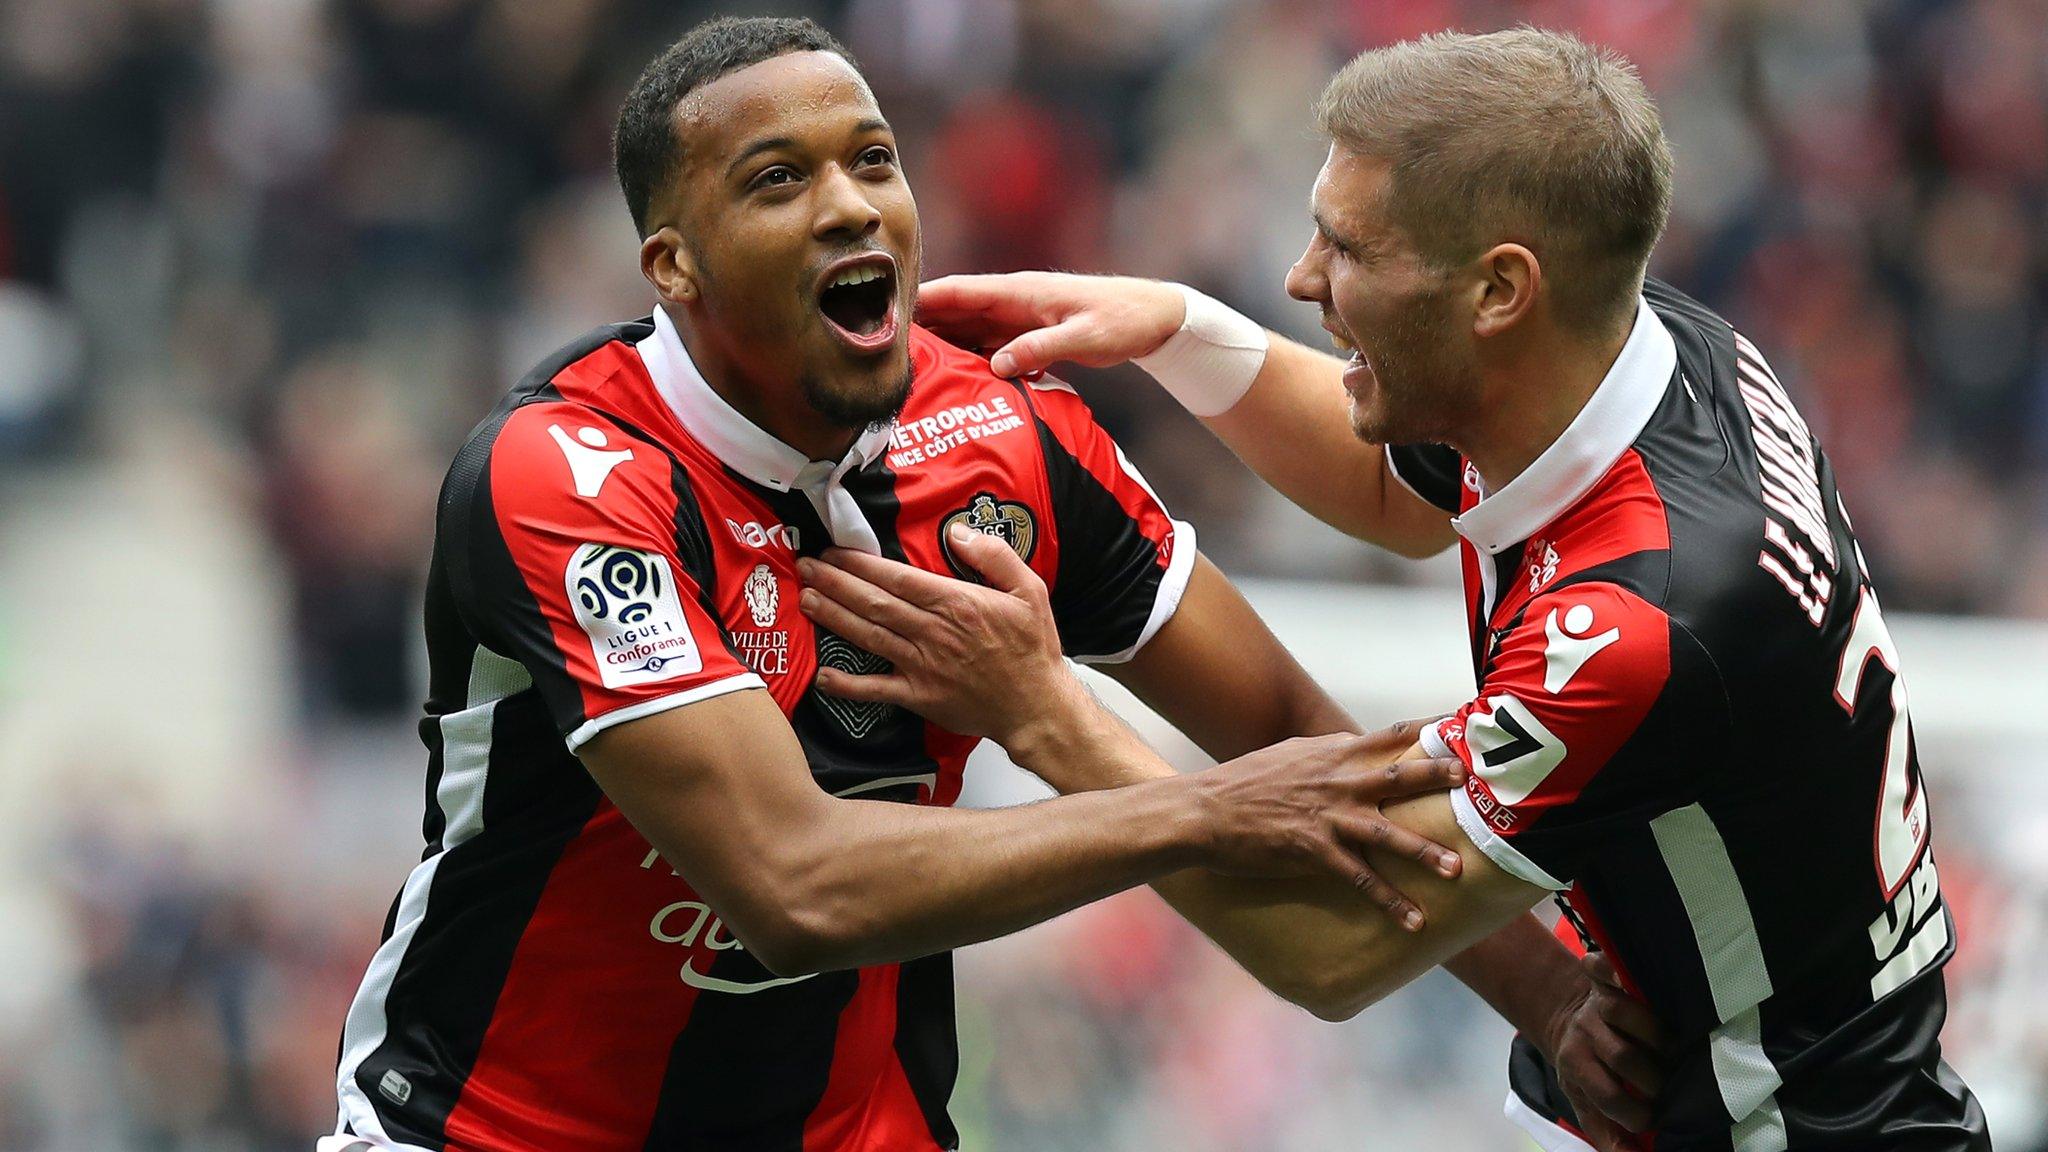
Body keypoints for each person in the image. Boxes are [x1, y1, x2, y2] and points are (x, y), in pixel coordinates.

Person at [325, 17, 1656, 1152]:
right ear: (673, 265)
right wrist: (1186, 810)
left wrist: (1548, 1003)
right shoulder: (567, 476)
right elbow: (790, 887)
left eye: (874, 162)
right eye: (778, 178)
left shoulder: (1002, 434)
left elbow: (1292, 742)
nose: (851, 205)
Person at [815, 27, 1990, 1152]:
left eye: (1348, 250)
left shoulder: (1640, 624)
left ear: (1496, 291)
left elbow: (1326, 949)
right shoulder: (1650, 344)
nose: (1299, 277)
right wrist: (1175, 330)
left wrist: (1043, 720)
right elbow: (1400, 493)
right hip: (1678, 1082)